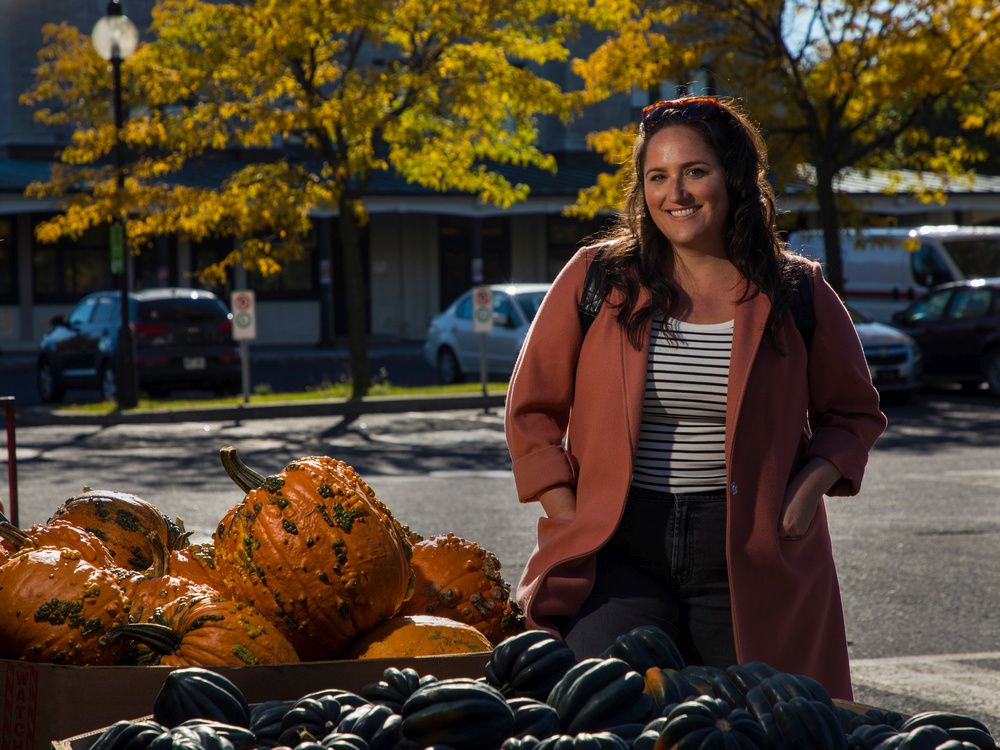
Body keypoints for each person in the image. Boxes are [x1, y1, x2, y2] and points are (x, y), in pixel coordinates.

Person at [503, 95, 887, 700]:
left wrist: (809, 488)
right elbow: (530, 409)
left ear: (732, 178)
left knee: (747, 725)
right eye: (657, 176)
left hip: (749, 555)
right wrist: (567, 511)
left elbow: (854, 413)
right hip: (617, 550)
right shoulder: (596, 278)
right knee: (601, 711)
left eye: (694, 172)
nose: (675, 193)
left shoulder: (797, 291)